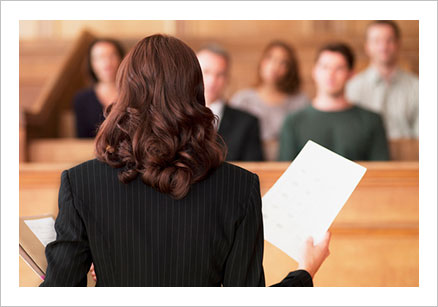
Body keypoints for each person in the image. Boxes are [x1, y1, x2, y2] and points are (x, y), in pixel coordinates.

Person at [40, 34, 330, 287]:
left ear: (125, 91)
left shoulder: (80, 183)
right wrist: (305, 271)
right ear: (196, 92)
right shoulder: (240, 187)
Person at [278, 43, 390, 161]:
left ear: (351, 74)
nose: (331, 74)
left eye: (339, 68)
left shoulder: (371, 121)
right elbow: (283, 172)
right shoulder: (293, 122)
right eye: (325, 67)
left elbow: (381, 173)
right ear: (314, 71)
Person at [230, 41, 309, 161]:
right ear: (262, 61)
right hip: (250, 163)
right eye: (270, 58)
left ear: (290, 70)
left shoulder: (299, 101)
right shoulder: (243, 99)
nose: (275, 66)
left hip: (287, 163)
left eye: (283, 63)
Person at [346, 20, 419, 139]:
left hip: (409, 153)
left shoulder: (417, 86)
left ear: (398, 44)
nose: (383, 47)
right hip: (365, 155)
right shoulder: (352, 87)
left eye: (389, 40)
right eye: (376, 41)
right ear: (367, 46)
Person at [196, 44, 264, 161]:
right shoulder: (177, 117)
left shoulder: (247, 123)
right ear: (194, 74)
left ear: (228, 79)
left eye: (220, 74)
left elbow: (255, 169)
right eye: (206, 72)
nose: (212, 81)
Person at [73, 38, 125, 138]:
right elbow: (81, 139)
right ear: (92, 63)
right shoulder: (81, 99)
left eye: (112, 55)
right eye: (100, 57)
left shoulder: (132, 94)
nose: (107, 62)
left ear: (121, 59)